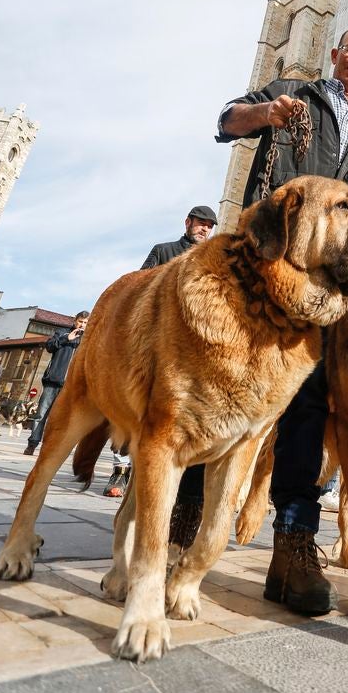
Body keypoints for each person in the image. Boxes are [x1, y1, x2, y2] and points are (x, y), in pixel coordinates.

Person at [217, 25, 348, 616]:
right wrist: (264, 114)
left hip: (331, 288)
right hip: (268, 264)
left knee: (308, 407)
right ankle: (185, 514)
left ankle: (295, 541)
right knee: (225, 389)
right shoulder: (294, 95)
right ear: (335, 54)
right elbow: (226, 120)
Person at [100, 205, 219, 502]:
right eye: (200, 224)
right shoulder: (163, 250)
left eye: (209, 226)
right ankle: (120, 469)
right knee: (130, 411)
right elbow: (137, 288)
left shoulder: (211, 261)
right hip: (147, 345)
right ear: (188, 223)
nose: (205, 229)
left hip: (180, 356)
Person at [24, 312, 90, 456]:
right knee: (41, 414)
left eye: (85, 323)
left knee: (63, 419)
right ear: (75, 320)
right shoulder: (62, 332)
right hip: (53, 381)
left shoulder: (88, 340)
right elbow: (49, 346)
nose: (82, 325)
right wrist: (67, 338)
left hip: (71, 386)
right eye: (80, 322)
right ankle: (32, 444)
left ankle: (51, 448)